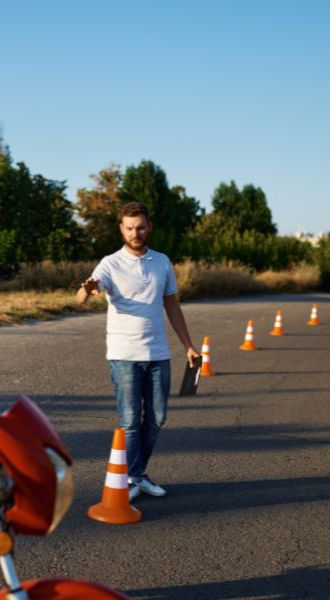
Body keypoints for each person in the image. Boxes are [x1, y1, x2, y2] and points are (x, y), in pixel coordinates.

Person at [77, 201, 199, 501]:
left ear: (149, 227)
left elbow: (172, 305)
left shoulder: (162, 262)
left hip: (158, 353)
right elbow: (83, 296)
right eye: (130, 227)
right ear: (121, 228)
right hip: (124, 355)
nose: (136, 232)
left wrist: (189, 346)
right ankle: (132, 477)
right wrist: (87, 290)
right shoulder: (109, 263)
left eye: (141, 227)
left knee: (157, 418)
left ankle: (137, 474)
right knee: (130, 420)